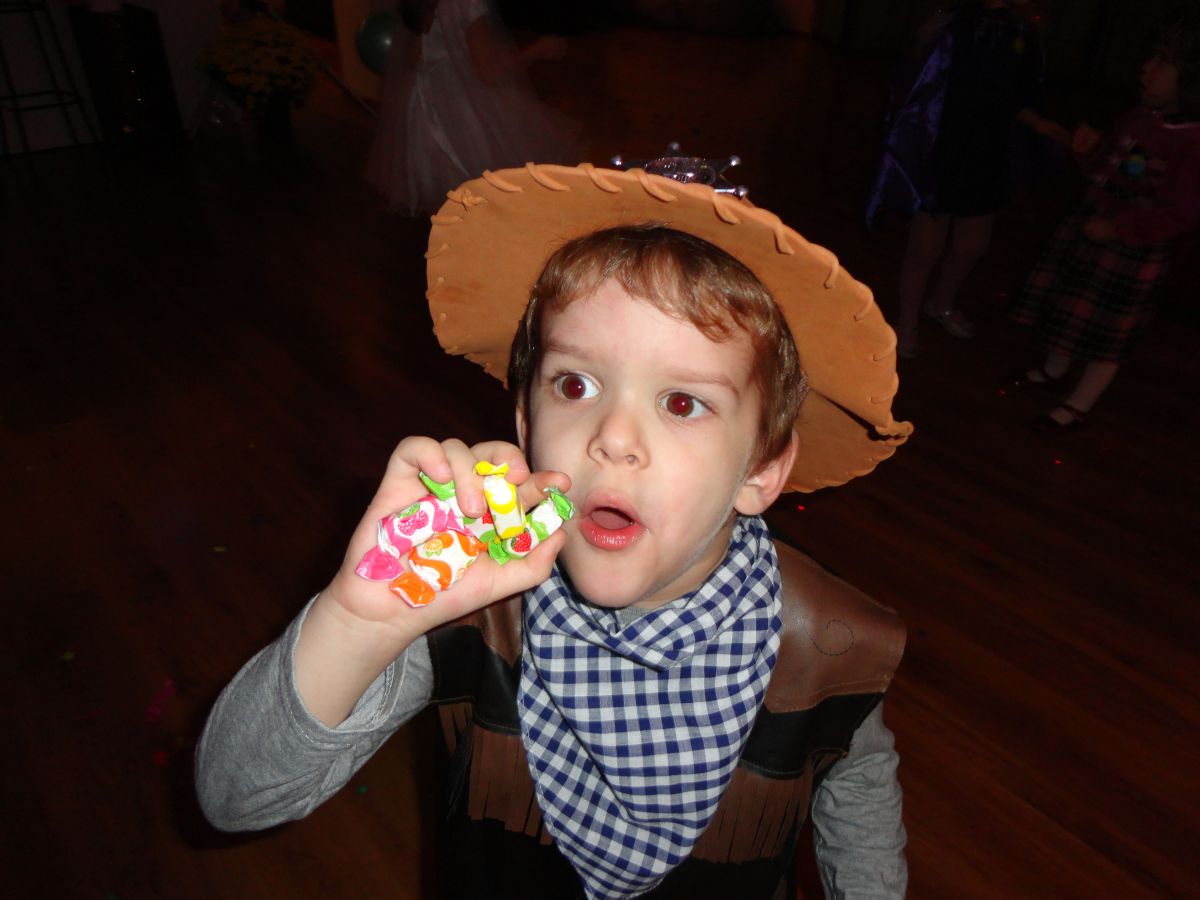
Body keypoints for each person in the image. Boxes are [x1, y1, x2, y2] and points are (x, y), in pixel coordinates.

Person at [196, 156, 915, 898]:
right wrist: (360, 622)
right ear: (525, 422)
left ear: (761, 468)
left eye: (681, 403)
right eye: (575, 384)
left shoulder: (831, 645)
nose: (613, 437)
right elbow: (235, 797)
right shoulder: (471, 607)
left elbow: (858, 801)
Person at [1006, 13, 1200, 430]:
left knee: (1109, 332)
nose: (1146, 68)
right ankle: (1055, 369)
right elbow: (1105, 166)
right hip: (1092, 226)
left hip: (1132, 248)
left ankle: (1079, 404)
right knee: (1069, 304)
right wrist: (1087, 150)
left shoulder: (1193, 143)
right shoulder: (1138, 116)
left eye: (1163, 61)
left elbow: (1180, 213)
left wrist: (1119, 229)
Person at [867, 0, 1069, 358]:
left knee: (971, 244)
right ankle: (907, 321)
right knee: (925, 246)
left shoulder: (1020, 30)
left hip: (987, 153)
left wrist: (1038, 123)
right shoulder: (950, 24)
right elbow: (917, 87)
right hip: (940, 147)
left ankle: (940, 302)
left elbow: (1015, 93)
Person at [365, 0, 580, 215]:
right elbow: (491, 73)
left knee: (450, 197)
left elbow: (414, 60)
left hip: (422, 113)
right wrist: (538, 50)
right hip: (461, 115)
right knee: (493, 188)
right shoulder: (467, 3)